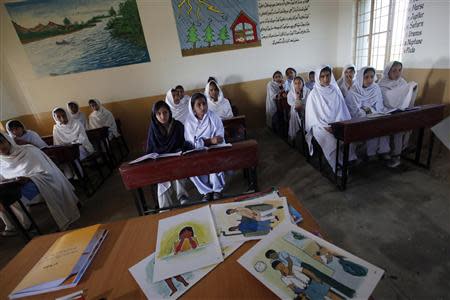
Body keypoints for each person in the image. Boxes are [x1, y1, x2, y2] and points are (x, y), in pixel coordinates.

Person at [0, 132, 80, 235]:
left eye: (2, 142)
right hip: (17, 187)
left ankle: (26, 226)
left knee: (14, 200)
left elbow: (47, 172)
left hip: (39, 182)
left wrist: (29, 178)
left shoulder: (29, 150)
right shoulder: (1, 161)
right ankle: (18, 226)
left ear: (8, 140)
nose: (1, 147)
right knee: (6, 199)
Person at [305, 65, 357, 175]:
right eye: (322, 76)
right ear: (318, 78)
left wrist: (337, 125)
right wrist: (327, 127)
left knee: (349, 137)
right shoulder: (313, 95)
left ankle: (348, 160)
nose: (325, 79)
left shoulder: (335, 90)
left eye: (327, 75)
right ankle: (338, 167)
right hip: (320, 126)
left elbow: (341, 110)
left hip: (337, 123)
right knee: (331, 143)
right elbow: (313, 116)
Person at [146, 100, 189, 208]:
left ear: (170, 112)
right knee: (162, 183)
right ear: (154, 115)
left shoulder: (178, 125)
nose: (162, 116)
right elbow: (150, 150)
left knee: (178, 174)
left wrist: (180, 151)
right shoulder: (153, 129)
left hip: (177, 161)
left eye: (165, 112)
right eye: (159, 114)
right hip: (161, 164)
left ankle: (183, 198)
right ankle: (165, 208)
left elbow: (185, 143)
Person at [184, 93, 226, 201]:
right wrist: (209, 141)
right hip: (197, 152)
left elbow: (220, 136)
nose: (203, 107)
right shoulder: (189, 123)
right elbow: (191, 143)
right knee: (191, 168)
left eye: (204, 103)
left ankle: (217, 190)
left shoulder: (213, 116)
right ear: (193, 108)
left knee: (213, 161)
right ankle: (206, 191)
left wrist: (213, 141)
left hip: (214, 150)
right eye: (199, 105)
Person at [379, 61, 418, 167]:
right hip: (386, 113)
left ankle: (398, 153)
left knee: (405, 128)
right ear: (388, 71)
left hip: (401, 112)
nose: (397, 73)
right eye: (394, 70)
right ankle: (388, 154)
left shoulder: (403, 83)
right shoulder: (382, 84)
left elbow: (407, 98)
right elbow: (387, 101)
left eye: (400, 70)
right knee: (394, 129)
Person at [345, 66, 390, 159]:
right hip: (356, 120)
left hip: (373, 116)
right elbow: (353, 111)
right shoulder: (354, 91)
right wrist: (368, 111)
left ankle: (381, 151)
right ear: (361, 77)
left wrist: (372, 111)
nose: (370, 80)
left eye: (372, 77)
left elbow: (379, 105)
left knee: (383, 125)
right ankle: (369, 153)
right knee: (371, 126)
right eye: (366, 77)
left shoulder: (375, 88)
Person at [287, 76, 310, 142]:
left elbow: (309, 102)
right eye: (295, 83)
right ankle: (299, 131)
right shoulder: (290, 93)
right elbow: (292, 103)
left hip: (306, 109)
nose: (297, 85)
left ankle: (306, 131)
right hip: (295, 110)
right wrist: (297, 97)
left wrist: (302, 105)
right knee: (296, 111)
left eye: (299, 83)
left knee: (302, 112)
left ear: (303, 83)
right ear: (293, 84)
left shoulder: (308, 91)